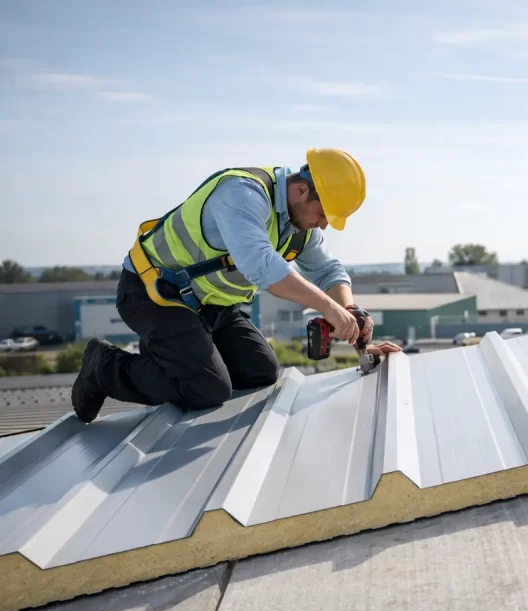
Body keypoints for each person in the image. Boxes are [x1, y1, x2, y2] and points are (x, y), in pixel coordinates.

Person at [72, 148, 401, 423]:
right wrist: (327, 308)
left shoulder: (301, 223)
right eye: (323, 213)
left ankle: (174, 358)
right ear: (302, 190)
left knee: (261, 372)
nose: (324, 224)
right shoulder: (241, 193)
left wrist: (349, 313)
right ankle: (105, 367)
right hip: (155, 294)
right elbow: (262, 266)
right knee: (207, 389)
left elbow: (328, 270)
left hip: (210, 306)